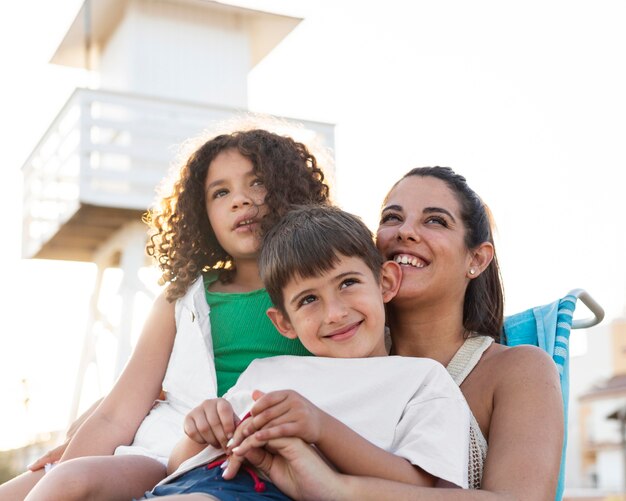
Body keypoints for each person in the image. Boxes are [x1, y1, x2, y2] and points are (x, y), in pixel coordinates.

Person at [1, 128, 330, 501]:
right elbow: (117, 413)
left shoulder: (325, 293)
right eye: (220, 192)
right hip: (155, 448)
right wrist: (65, 464)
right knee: (34, 488)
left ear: (289, 188)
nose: (239, 200)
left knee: (72, 483)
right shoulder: (181, 299)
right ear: (201, 215)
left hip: (231, 461)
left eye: (256, 183)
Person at [231, 167, 565, 500]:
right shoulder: (331, 350)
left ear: (476, 258)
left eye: (435, 220)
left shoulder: (518, 369)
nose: (405, 232)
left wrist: (341, 490)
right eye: (392, 218)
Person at [142, 205, 471, 500]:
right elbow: (177, 464)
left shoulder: (422, 379)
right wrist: (201, 429)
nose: (334, 313)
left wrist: (321, 428)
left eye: (347, 283)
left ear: (385, 282)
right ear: (284, 322)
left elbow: (422, 486)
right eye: (309, 300)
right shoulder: (265, 370)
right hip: (194, 481)